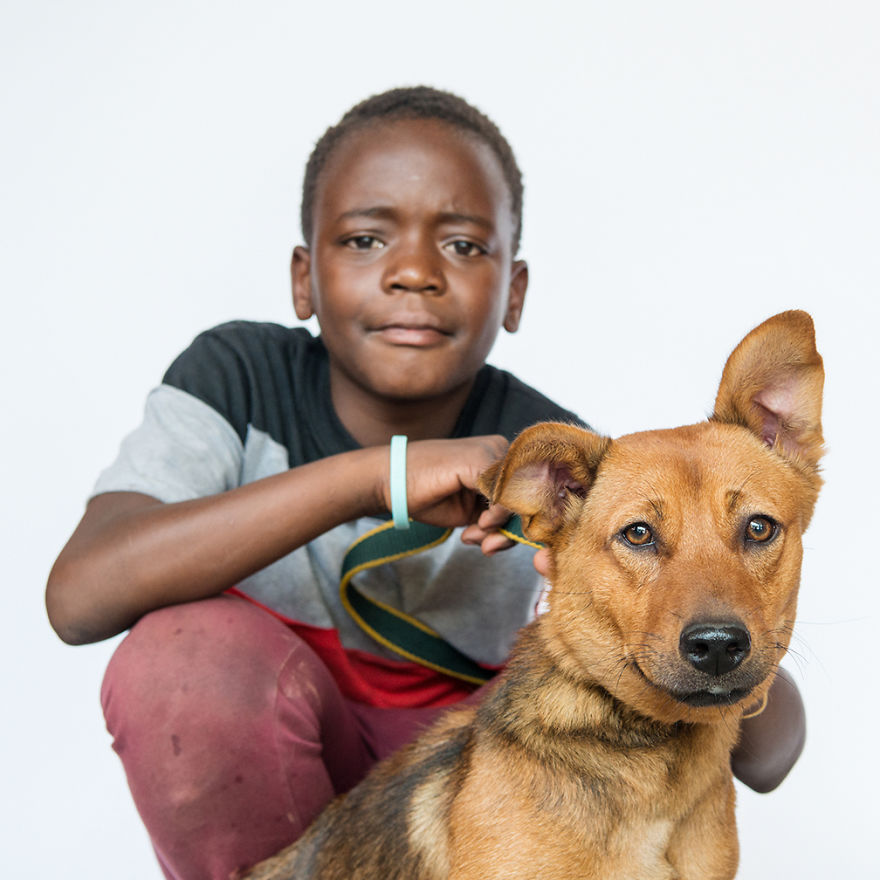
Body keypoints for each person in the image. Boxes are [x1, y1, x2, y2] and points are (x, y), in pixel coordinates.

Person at [46, 86, 805, 880]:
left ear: (514, 292)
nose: (414, 273)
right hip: (274, 771)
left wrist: (670, 619)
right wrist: (379, 478)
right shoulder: (236, 379)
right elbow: (79, 596)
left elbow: (768, 758)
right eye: (366, 239)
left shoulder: (561, 467)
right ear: (303, 278)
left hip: (476, 797)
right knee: (181, 660)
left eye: (465, 246)